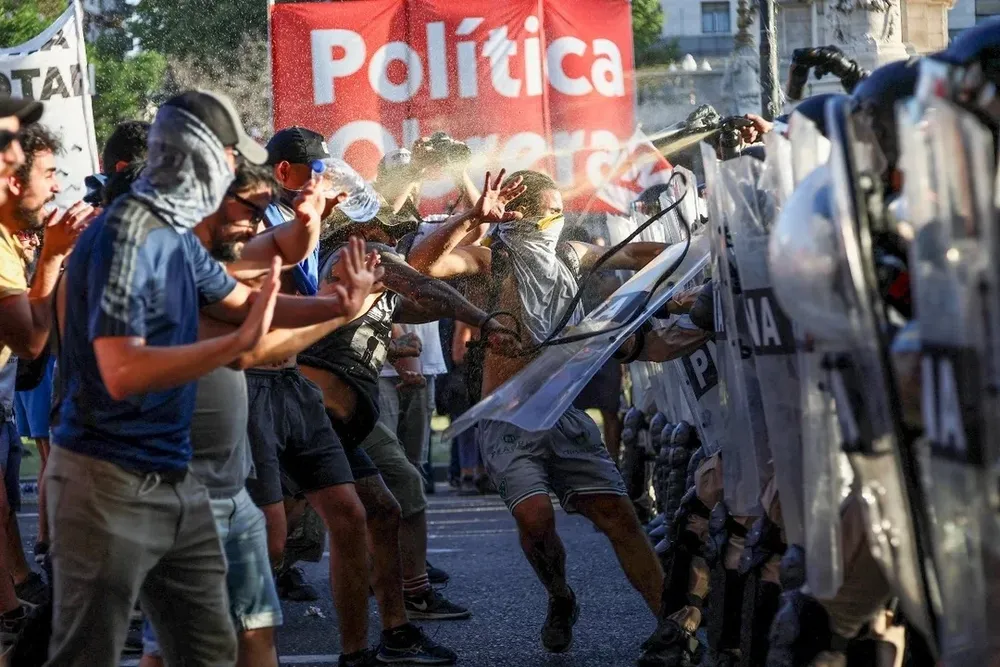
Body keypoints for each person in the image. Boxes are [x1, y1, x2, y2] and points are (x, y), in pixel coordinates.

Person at [46, 90, 373, 667]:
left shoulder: (174, 235)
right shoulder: (130, 236)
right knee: (85, 655)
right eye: (228, 157)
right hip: (108, 481)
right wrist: (235, 347)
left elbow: (244, 300)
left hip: (177, 480)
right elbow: (123, 371)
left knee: (222, 648)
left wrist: (334, 306)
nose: (237, 175)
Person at [408, 169, 668, 655]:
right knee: (535, 519)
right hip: (506, 418)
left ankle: (670, 625)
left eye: (560, 209)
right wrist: (469, 216)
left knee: (618, 515)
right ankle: (560, 596)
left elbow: (637, 255)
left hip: (564, 412)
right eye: (549, 210)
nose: (558, 218)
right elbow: (421, 267)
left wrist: (705, 249)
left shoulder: (570, 254)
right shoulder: (489, 261)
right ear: (516, 215)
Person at [137, 162, 379, 667]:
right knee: (263, 544)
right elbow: (253, 340)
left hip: (285, 392)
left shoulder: (219, 251)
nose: (256, 220)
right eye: (247, 210)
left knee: (347, 516)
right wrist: (339, 308)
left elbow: (284, 246)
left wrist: (312, 218)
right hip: (214, 426)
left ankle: (354, 652)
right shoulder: (184, 263)